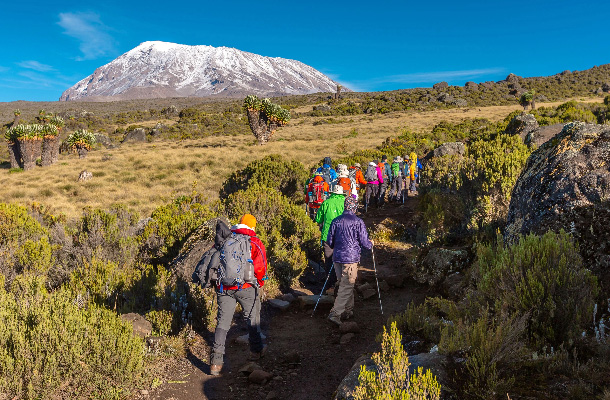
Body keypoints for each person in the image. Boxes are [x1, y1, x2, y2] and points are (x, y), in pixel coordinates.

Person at [210, 214, 268, 376]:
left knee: (222, 323)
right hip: (246, 286)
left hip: (224, 287)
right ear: (253, 227)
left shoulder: (225, 239)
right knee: (252, 318)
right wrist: (260, 284)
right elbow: (260, 267)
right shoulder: (255, 242)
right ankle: (256, 351)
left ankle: (216, 363)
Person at [326, 196, 373, 325]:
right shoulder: (358, 222)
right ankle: (335, 313)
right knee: (347, 285)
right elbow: (364, 242)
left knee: (344, 283)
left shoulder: (336, 221)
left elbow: (329, 241)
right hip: (351, 258)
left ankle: (348, 310)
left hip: (337, 257)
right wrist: (371, 244)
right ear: (354, 207)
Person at [314, 185, 346, 287]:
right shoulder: (345, 203)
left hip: (327, 236)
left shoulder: (326, 203)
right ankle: (341, 282)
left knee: (329, 260)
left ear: (332, 193)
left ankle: (329, 284)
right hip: (342, 236)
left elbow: (318, 219)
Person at [192, 220, 232, 288]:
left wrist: (206, 282)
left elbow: (207, 266)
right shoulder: (234, 245)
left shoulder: (214, 249)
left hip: (219, 284)